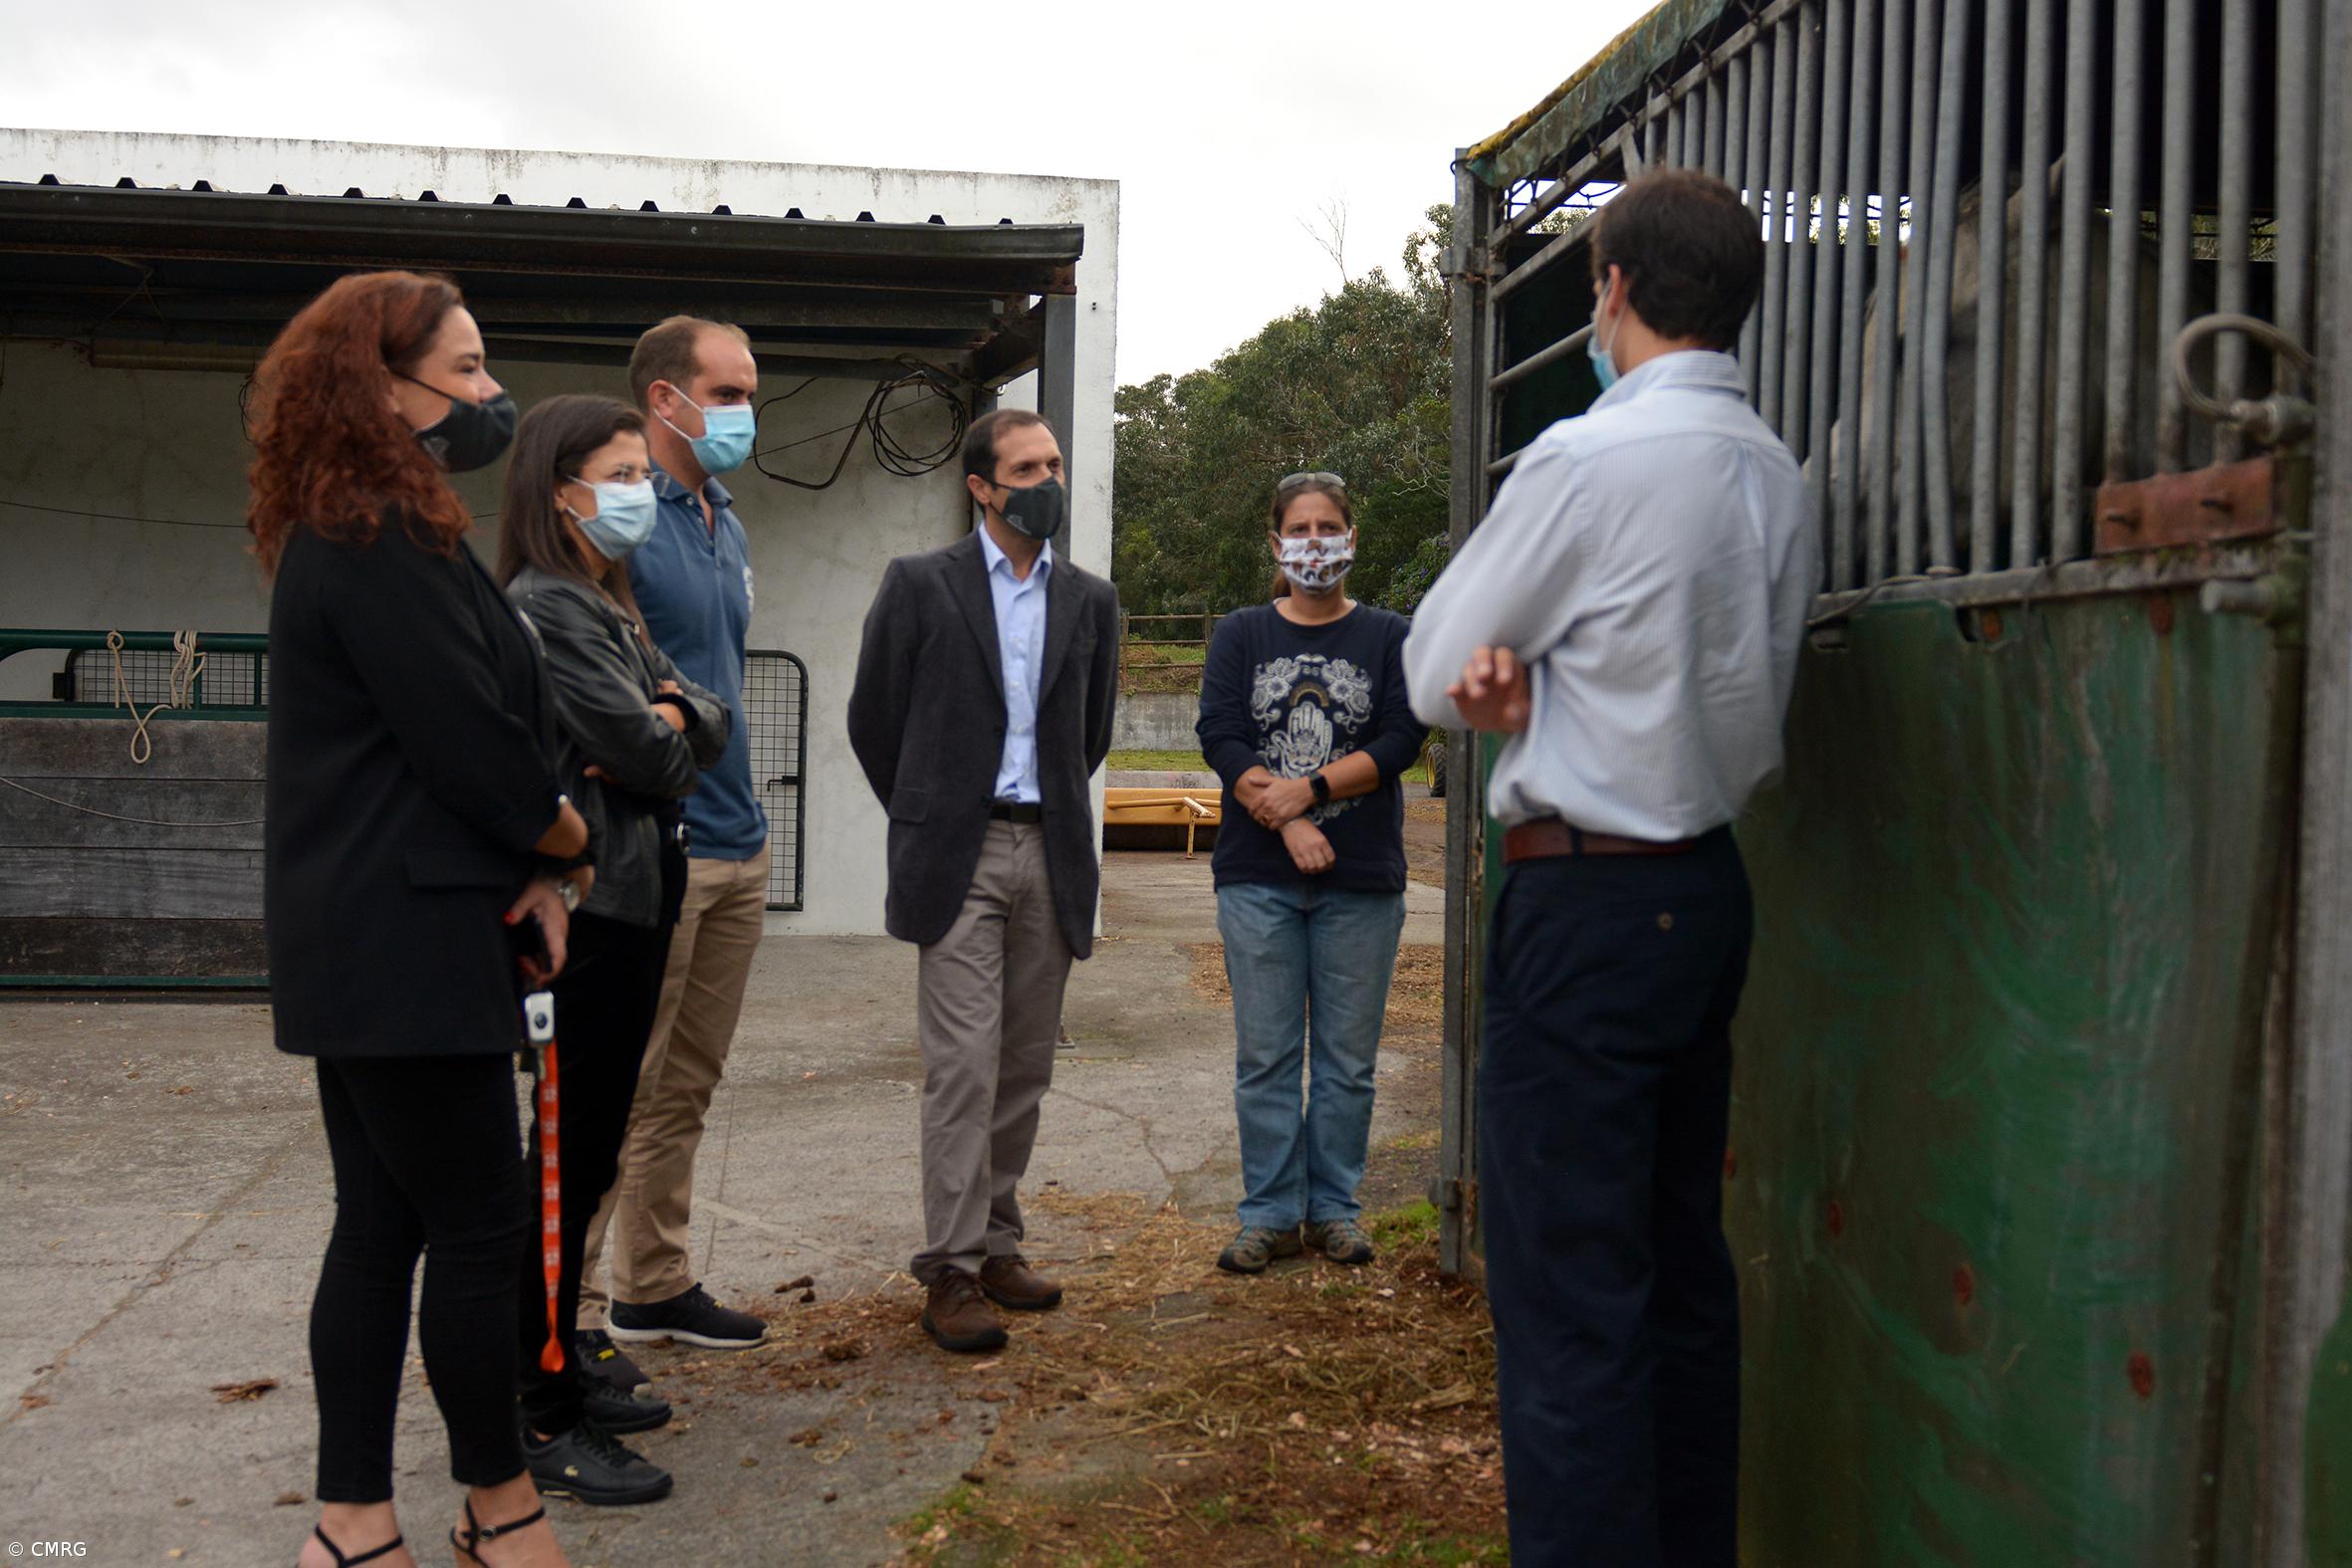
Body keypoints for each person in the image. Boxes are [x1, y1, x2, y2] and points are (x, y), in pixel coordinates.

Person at [1403, 169, 1815, 1568]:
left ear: (1616, 288)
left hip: (1583, 898)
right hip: (1702, 886)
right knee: (1679, 1269)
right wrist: (1553, 686)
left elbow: (1431, 668)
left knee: (1570, 1295)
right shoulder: (1773, 471)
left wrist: (1517, 689)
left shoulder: (1588, 459)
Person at [250, 270, 590, 1568]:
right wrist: (566, 840)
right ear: (381, 389)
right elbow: (473, 746)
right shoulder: (371, 539)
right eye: (465, 369)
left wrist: (541, 869)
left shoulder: (378, 529)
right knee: (477, 1228)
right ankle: (498, 1506)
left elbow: (472, 729)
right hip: (403, 942)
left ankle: (353, 1524)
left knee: (384, 1225)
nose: (492, 392)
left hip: (385, 935)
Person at [496, 395, 731, 1505]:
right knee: (563, 1157)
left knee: (589, 1151)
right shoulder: (547, 604)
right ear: (562, 491)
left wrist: (674, 716)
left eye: (645, 472)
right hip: (585, 914)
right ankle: (536, 1405)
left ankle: (559, 1360)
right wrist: (670, 719)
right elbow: (652, 750)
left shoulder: (607, 600)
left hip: (636, 894)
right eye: (623, 475)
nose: (643, 492)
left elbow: (704, 722)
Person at [846, 408, 1120, 1354]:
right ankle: (953, 1268)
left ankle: (999, 1241)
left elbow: (1090, 733)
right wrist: (929, 807)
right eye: (1027, 468)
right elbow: (875, 719)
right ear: (981, 486)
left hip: (1051, 848)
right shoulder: (921, 583)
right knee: (963, 1065)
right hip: (956, 856)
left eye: (1054, 462)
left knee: (1024, 1064)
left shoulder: (1090, 599)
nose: (1048, 481)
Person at [577, 317, 771, 1377]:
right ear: (666, 398)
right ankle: (556, 1325)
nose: (745, 413)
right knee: (616, 1087)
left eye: (749, 394)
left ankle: (650, 1286)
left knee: (687, 1082)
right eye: (728, 393)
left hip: (738, 839)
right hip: (662, 845)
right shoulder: (624, 518)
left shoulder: (723, 519)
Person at [1195, 473, 1422, 1276]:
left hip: (1361, 878)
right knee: (1265, 1056)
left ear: (1353, 538)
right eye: (1301, 528)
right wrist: (1288, 817)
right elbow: (1221, 736)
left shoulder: (1390, 635)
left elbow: (1401, 738)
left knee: (1347, 1063)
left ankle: (1334, 1210)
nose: (1315, 542)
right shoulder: (1241, 633)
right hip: (1256, 876)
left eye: (1330, 527)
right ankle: (1268, 1214)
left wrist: (1313, 788)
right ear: (1276, 542)